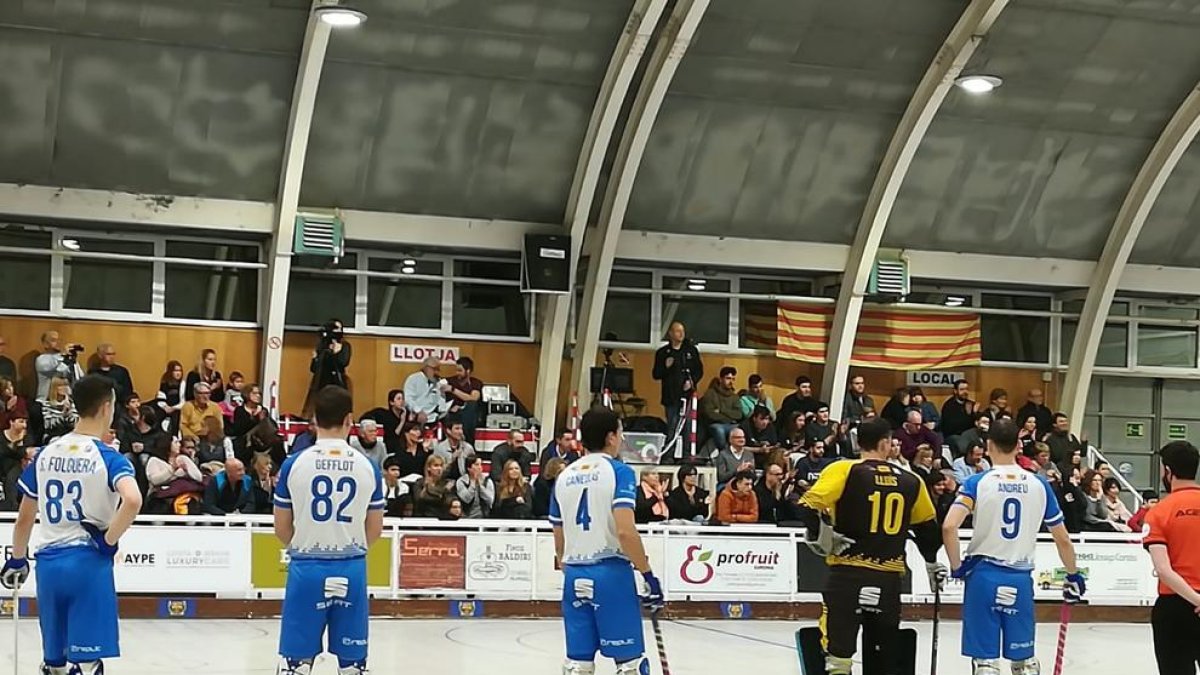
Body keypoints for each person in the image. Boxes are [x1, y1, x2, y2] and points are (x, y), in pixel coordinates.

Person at [1, 374, 142, 675]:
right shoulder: (108, 457)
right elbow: (133, 500)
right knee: (87, 664)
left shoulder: (46, 453)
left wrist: (16, 559)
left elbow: (25, 515)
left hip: (49, 566)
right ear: (107, 408)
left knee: (54, 664)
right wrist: (108, 540)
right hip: (87, 564)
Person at [796, 418, 944, 675]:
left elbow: (807, 505)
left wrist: (827, 537)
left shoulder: (843, 469)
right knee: (883, 654)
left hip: (847, 574)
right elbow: (928, 530)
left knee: (838, 654)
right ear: (886, 443)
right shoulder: (911, 480)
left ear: (856, 442)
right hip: (888, 577)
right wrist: (931, 564)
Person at [941, 418, 1085, 675]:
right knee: (1024, 663)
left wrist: (957, 567)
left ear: (988, 445)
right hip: (1019, 577)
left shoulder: (977, 483)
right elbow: (1062, 538)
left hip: (983, 576)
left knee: (985, 664)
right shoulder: (1039, 484)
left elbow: (949, 527)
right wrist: (1073, 574)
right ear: (1019, 445)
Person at [272, 385, 384, 675]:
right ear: (350, 420)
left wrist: (306, 545)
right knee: (353, 666)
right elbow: (375, 529)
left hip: (306, 568)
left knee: (295, 665)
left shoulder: (293, 464)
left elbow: (282, 527)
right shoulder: (368, 466)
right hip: (352, 568)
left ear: (314, 420)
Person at [549, 407, 662, 675]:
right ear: (611, 436)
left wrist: (571, 568)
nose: (621, 439)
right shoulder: (619, 472)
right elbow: (625, 531)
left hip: (574, 574)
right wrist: (648, 575)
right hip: (611, 573)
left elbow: (559, 538)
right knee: (631, 664)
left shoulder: (562, 477)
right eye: (620, 433)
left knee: (578, 664)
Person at [1141, 441, 1200, 675]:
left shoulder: (1158, 513)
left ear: (1168, 471)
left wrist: (1196, 599)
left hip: (1175, 607)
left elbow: (1164, 570)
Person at [652, 320, 704, 442]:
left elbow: (699, 371)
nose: (681, 334)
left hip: (688, 394)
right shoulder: (663, 353)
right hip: (671, 396)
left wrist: (692, 382)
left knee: (688, 426)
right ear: (670, 333)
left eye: (683, 331)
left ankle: (688, 456)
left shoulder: (691, 351)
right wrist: (666, 367)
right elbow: (656, 375)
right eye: (677, 331)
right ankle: (669, 455)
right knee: (672, 426)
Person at [701, 366, 743, 450]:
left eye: (733, 379)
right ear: (721, 379)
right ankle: (724, 453)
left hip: (732, 425)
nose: (731, 381)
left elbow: (738, 414)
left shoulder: (734, 396)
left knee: (741, 430)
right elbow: (710, 414)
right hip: (714, 425)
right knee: (719, 430)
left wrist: (721, 410)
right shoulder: (710, 394)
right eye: (728, 378)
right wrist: (729, 417)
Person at [34, 331, 83, 400]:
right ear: (45, 344)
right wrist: (63, 355)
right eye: (53, 340)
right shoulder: (41, 359)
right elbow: (57, 370)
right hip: (46, 401)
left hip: (66, 401)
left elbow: (80, 377)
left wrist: (73, 361)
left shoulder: (66, 358)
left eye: (59, 340)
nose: (58, 343)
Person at [403, 357, 451, 425]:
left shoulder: (438, 381)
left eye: (438, 369)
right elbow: (408, 399)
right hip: (417, 415)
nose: (436, 372)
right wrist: (418, 411)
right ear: (426, 368)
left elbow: (440, 401)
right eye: (435, 369)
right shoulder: (413, 379)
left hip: (434, 416)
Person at [444, 356, 483, 440]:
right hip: (450, 412)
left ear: (468, 371)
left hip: (467, 414)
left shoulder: (475, 383)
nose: (457, 373)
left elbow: (473, 398)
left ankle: (468, 442)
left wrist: (453, 390)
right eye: (456, 370)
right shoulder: (449, 381)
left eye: (460, 370)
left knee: (471, 405)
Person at [309, 318, 351, 391]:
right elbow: (313, 369)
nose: (339, 331)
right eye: (336, 328)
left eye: (341, 329)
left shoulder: (345, 345)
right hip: (322, 384)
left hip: (337, 383)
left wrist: (336, 353)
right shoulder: (322, 345)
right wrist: (315, 359)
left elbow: (343, 362)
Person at [156, 360, 185, 433]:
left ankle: (175, 436)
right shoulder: (165, 383)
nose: (178, 373)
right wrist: (165, 407)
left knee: (176, 416)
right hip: (166, 408)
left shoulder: (183, 384)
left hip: (178, 408)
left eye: (180, 371)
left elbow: (183, 400)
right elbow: (161, 397)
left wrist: (174, 408)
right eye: (176, 371)